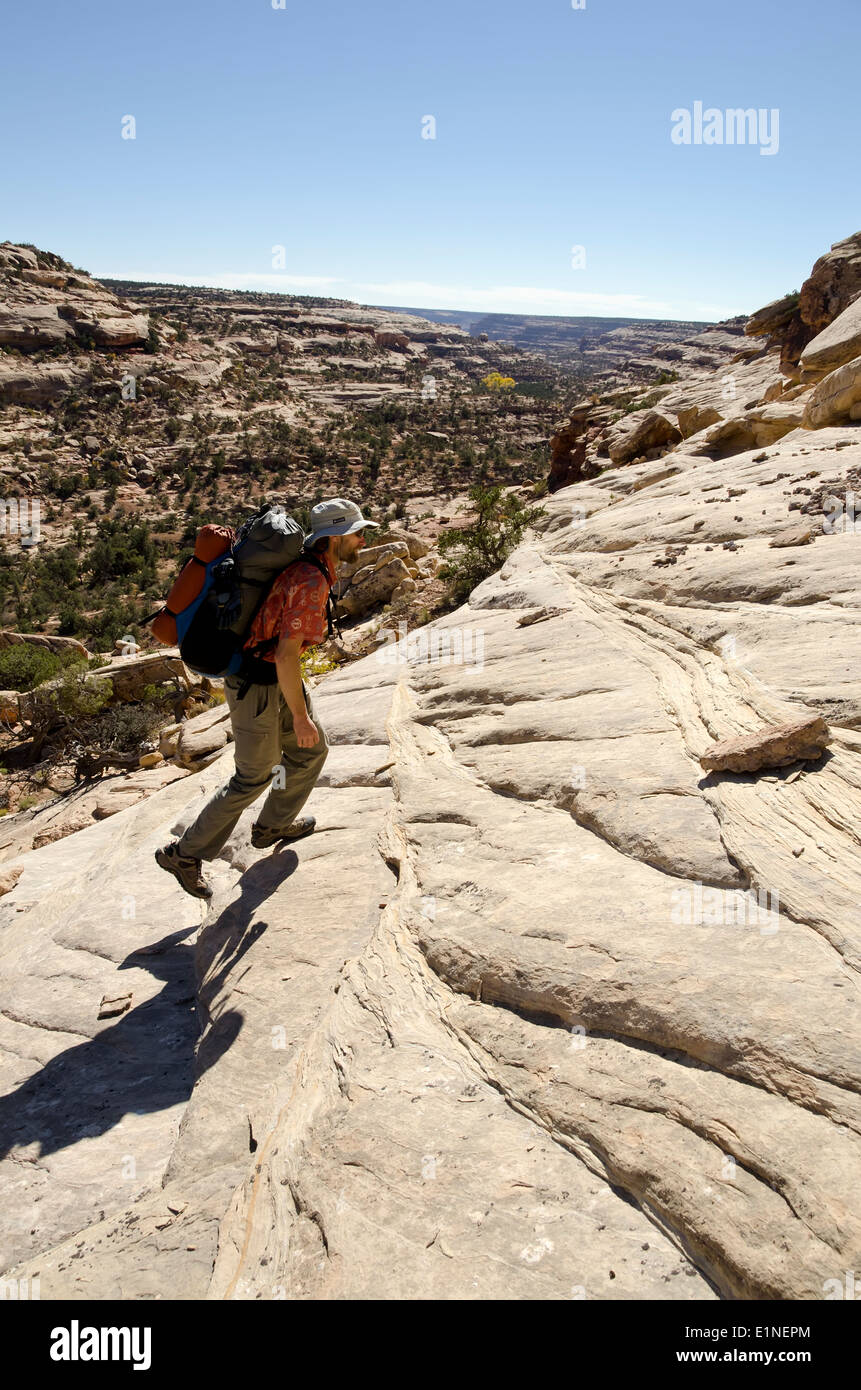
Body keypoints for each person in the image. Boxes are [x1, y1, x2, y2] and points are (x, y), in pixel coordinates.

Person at [155, 498, 377, 899]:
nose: (364, 539)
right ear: (335, 538)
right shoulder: (310, 580)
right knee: (253, 776)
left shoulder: (312, 565)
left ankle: (273, 825)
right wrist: (300, 715)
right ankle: (183, 854)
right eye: (358, 533)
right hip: (256, 683)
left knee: (310, 753)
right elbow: (286, 653)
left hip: (272, 677)